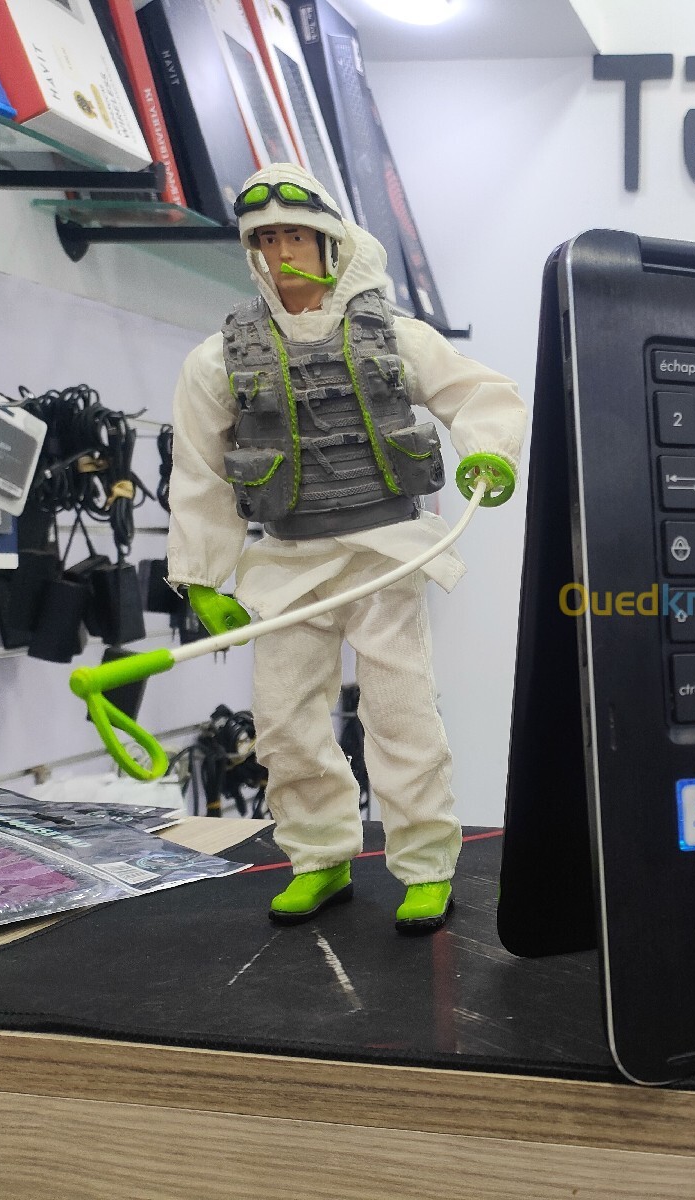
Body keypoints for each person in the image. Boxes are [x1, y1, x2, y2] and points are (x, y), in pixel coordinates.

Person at [165, 163, 524, 933]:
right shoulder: (220, 358)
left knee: (401, 715)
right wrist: (201, 576)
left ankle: (425, 864)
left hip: (385, 553)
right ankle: (319, 856)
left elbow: (479, 393)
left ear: (329, 242)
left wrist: (488, 452)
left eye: (296, 235)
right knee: (284, 718)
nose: (282, 252)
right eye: (266, 239)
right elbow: (198, 469)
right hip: (287, 562)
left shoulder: (393, 336)